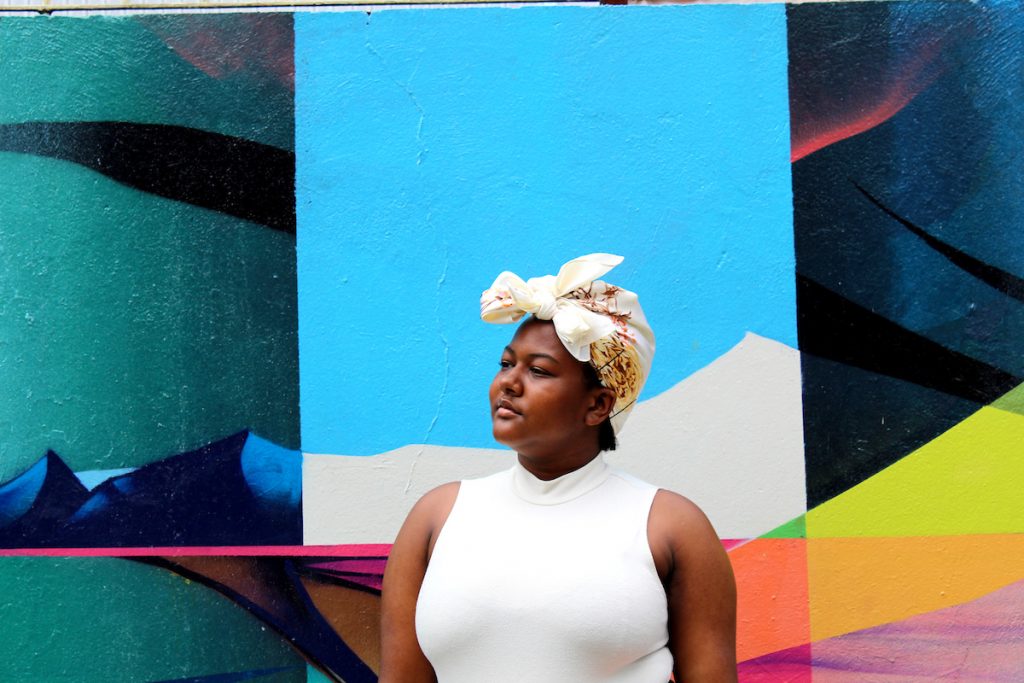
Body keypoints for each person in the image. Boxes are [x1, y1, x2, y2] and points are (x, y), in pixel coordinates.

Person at [380, 254, 737, 682]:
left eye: (538, 370)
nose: (508, 383)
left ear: (598, 405)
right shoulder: (437, 516)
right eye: (507, 363)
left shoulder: (670, 526)